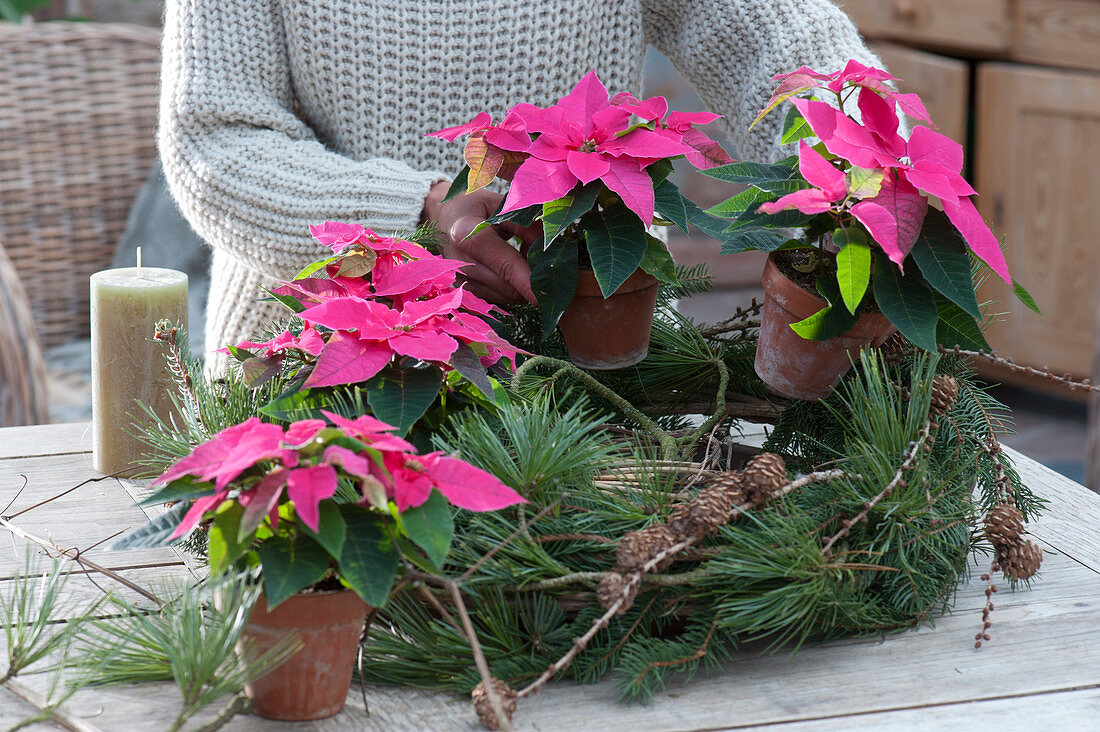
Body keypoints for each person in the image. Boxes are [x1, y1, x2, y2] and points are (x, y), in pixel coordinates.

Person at [159, 0, 884, 367]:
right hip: (309, 382)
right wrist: (415, 212)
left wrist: (866, 156)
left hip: (593, 361)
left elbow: (772, 35)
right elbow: (215, 138)